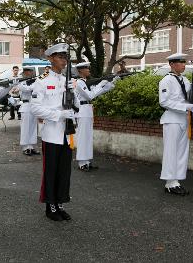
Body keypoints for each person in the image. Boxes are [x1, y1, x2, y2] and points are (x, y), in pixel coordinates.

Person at [31, 43, 79, 221]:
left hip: (67, 133)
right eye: (60, 57)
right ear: (51, 59)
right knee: (51, 171)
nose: (63, 60)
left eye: (65, 57)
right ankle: (50, 205)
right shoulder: (42, 81)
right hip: (52, 133)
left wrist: (73, 93)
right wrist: (59, 114)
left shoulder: (67, 81)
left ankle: (60, 203)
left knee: (64, 171)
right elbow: (35, 108)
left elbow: (77, 107)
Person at [159, 53, 193, 196]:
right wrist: (185, 107)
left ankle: (176, 181)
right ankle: (169, 183)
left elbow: (189, 99)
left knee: (182, 153)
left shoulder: (185, 80)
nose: (184, 65)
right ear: (172, 64)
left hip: (184, 120)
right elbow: (164, 102)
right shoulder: (166, 81)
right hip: (172, 120)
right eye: (181, 63)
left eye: (184, 62)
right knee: (171, 152)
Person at [74, 62, 118, 171]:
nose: (89, 70)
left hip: (88, 111)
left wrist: (110, 84)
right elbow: (90, 95)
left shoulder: (86, 82)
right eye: (86, 68)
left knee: (88, 138)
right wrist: (101, 84)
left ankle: (87, 161)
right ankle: (82, 163)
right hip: (82, 111)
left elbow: (97, 92)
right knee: (83, 138)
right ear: (80, 71)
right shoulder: (79, 83)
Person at [16, 67, 40, 156]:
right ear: (25, 72)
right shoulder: (20, 81)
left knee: (33, 127)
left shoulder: (33, 81)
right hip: (25, 106)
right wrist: (36, 84)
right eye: (28, 71)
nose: (30, 72)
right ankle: (25, 147)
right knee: (26, 127)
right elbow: (26, 89)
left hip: (33, 105)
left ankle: (32, 146)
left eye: (31, 71)